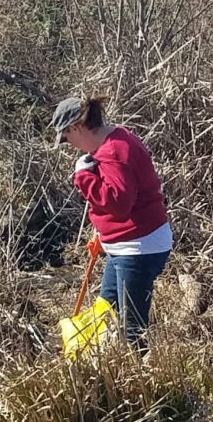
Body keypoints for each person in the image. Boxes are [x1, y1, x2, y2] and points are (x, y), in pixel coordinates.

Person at [50, 96, 171, 348]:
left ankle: (140, 368)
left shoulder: (114, 152)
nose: (70, 145)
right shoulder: (114, 140)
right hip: (125, 244)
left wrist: (83, 177)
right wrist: (103, 230)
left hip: (138, 248)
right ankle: (108, 360)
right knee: (107, 309)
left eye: (67, 138)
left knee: (132, 328)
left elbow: (118, 203)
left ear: (76, 127)